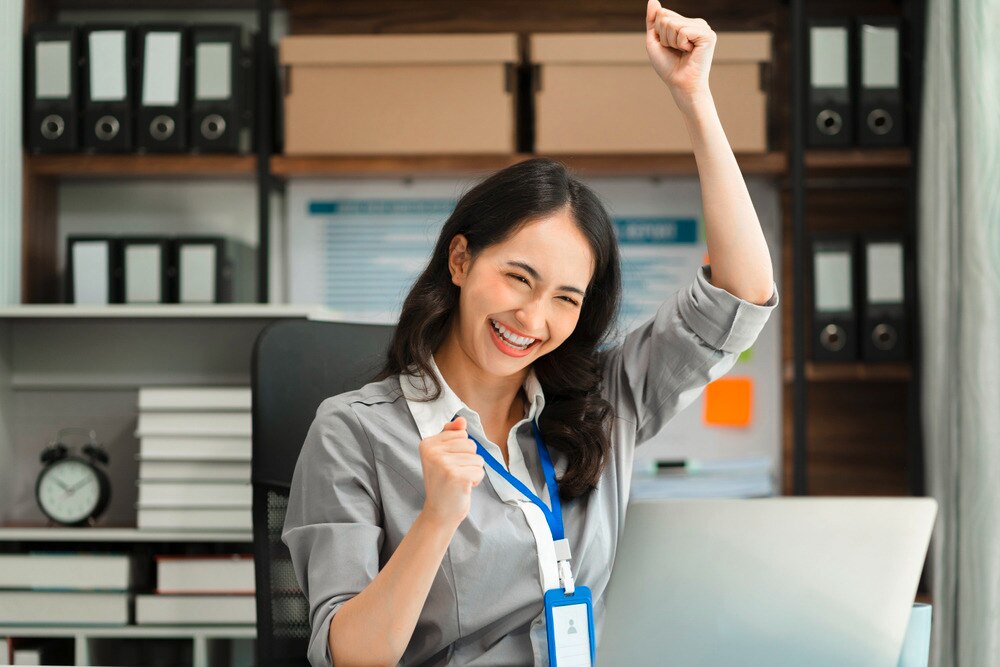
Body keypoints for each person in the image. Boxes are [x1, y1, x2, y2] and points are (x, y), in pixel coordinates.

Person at [282, 1, 779, 665]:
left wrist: (695, 98)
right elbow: (350, 656)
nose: (534, 319)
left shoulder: (604, 403)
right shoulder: (354, 432)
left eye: (565, 298)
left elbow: (739, 296)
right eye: (518, 278)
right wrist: (436, 518)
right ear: (460, 260)